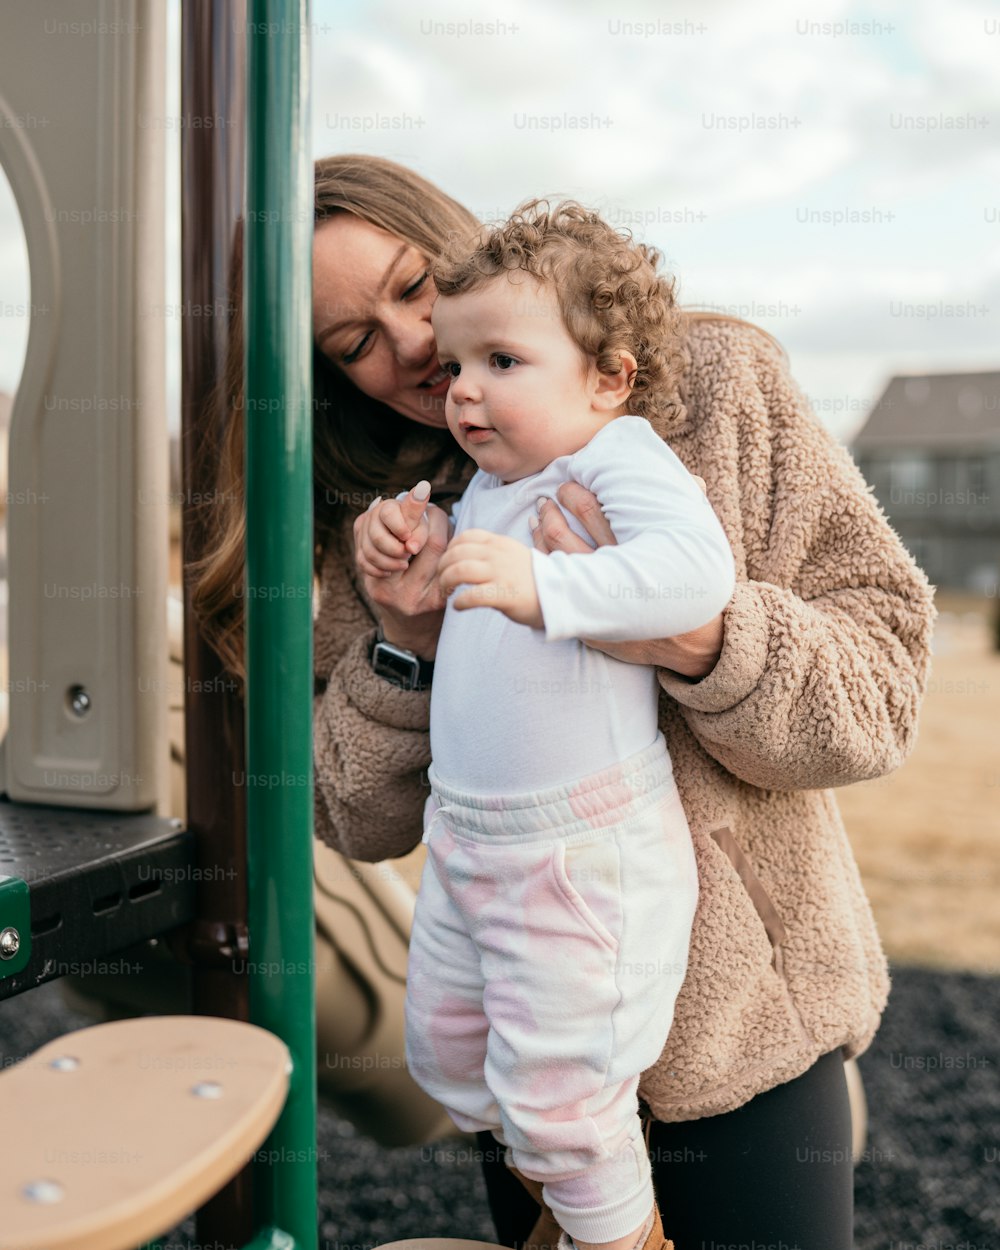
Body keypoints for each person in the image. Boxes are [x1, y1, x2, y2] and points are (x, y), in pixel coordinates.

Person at [191, 154, 936, 1249]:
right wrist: (408, 646)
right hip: (521, 1021)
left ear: (460, 251)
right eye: (352, 343)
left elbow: (882, 686)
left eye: (411, 289)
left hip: (741, 1033)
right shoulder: (382, 511)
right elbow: (355, 814)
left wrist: (696, 636)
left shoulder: (713, 389)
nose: (406, 349)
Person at [364, 200, 736, 1250]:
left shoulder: (615, 456)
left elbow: (692, 573)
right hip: (470, 837)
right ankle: (568, 1209)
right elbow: (473, 623)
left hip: (578, 850)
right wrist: (423, 554)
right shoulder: (490, 480)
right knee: (445, 1055)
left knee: (561, 1094)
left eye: (501, 360)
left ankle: (622, 1238)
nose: (463, 387)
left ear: (605, 376)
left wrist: (543, 582)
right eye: (454, 361)